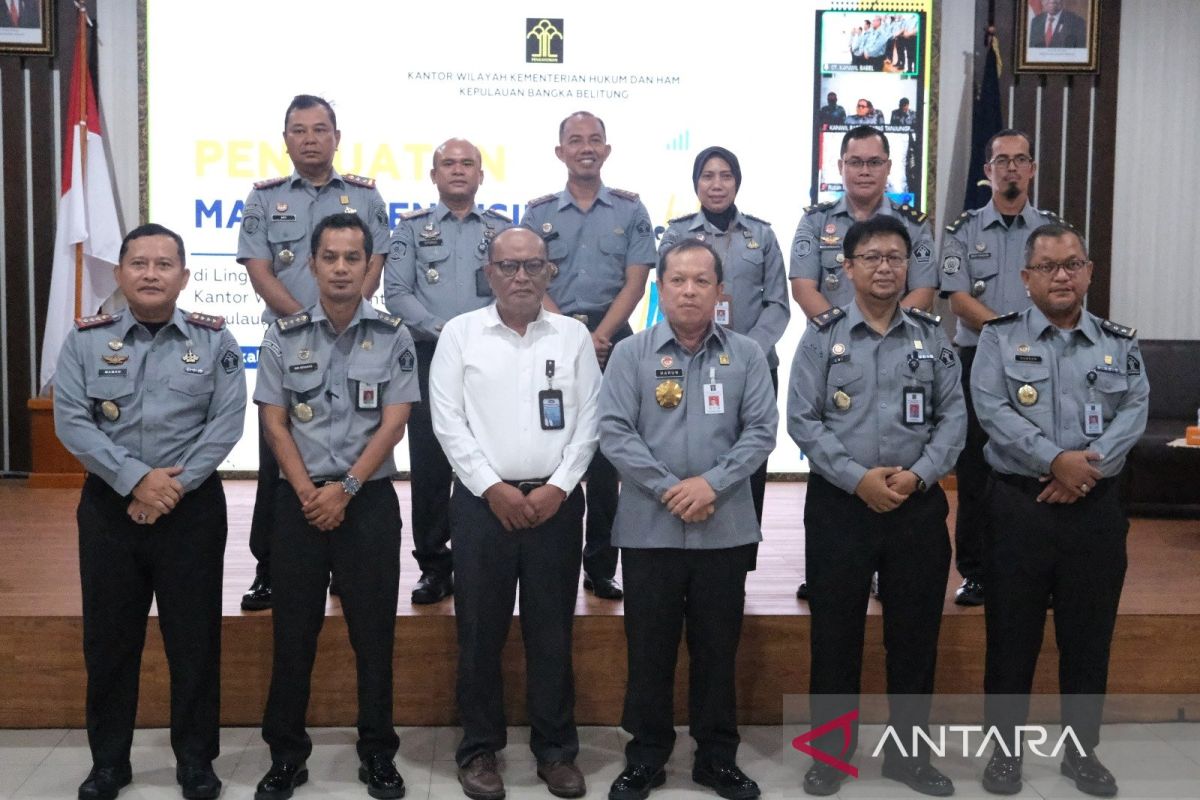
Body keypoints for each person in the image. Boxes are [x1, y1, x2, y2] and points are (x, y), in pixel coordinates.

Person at [53, 223, 247, 800]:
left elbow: (226, 424)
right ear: (120, 274)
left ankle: (195, 760)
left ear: (184, 277)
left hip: (190, 509)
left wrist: (170, 488)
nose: (151, 274)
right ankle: (109, 762)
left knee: (194, 641)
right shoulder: (87, 340)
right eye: (139, 263)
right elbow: (72, 421)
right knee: (110, 642)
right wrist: (136, 481)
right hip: (111, 509)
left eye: (165, 265)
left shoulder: (216, 340)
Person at [787, 216, 965, 797]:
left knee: (914, 637)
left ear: (908, 267)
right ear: (849, 268)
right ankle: (831, 757)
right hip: (840, 505)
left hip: (916, 506)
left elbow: (953, 419)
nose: (884, 267)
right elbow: (803, 421)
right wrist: (857, 478)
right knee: (834, 637)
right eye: (872, 258)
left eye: (895, 257)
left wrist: (917, 476)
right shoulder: (821, 335)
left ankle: (908, 758)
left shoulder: (931, 336)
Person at [971, 223, 1148, 798]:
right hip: (1019, 509)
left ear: (1090, 272)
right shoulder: (998, 340)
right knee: (1010, 636)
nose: (1063, 275)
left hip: (1094, 511)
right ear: (1026, 279)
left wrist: (1082, 472)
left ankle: (1081, 754)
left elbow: (1134, 413)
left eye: (1072, 264)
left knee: (1088, 637)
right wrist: (1055, 461)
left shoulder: (1118, 342)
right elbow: (993, 410)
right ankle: (1004, 754)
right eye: (1048, 267)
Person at [601, 238, 777, 800]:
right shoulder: (632, 355)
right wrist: (670, 487)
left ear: (720, 292)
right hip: (649, 527)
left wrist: (712, 484)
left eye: (702, 280)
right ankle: (647, 756)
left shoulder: (747, 354)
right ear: (659, 287)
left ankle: (716, 758)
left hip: (722, 526)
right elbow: (614, 432)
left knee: (717, 648)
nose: (689, 290)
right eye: (677, 279)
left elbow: (761, 432)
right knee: (648, 648)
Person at [430, 227, 602, 800]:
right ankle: (479, 750)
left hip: (556, 505)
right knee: (479, 632)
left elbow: (590, 422)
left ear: (551, 270)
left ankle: (556, 752)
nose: (521, 277)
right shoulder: (460, 334)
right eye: (508, 266)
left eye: (532, 266)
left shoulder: (574, 336)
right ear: (489, 272)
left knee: (551, 631)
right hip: (483, 507)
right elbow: (447, 422)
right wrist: (491, 488)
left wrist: (558, 487)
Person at [253, 213, 416, 800]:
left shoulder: (394, 334)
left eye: (354, 258)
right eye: (331, 257)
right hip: (298, 502)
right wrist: (307, 494)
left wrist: (344, 489)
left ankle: (377, 753)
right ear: (312, 263)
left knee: (374, 636)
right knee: (292, 634)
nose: (342, 268)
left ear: (370, 265)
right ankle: (286, 757)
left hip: (366, 500)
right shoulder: (282, 333)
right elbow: (273, 423)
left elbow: (395, 421)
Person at [236, 94, 390, 611]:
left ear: (336, 138)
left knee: (351, 443)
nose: (309, 139)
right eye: (299, 131)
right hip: (289, 340)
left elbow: (374, 264)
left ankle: (345, 567)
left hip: (356, 337)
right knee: (278, 459)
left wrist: (342, 316)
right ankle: (269, 569)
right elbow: (259, 270)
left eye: (320, 129)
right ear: (285, 141)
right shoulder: (263, 199)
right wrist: (304, 324)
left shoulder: (366, 197)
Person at [521, 110, 657, 600]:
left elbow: (636, 281)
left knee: (607, 456)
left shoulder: (630, 210)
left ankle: (600, 565)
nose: (585, 147)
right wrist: (574, 335)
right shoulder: (538, 214)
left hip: (615, 339)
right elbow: (531, 280)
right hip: (551, 336)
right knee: (554, 444)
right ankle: (550, 557)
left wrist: (601, 334)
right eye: (575, 140)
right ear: (560, 152)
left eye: (594, 140)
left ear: (607, 149)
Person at [941, 129, 1068, 607]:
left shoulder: (1054, 234)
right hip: (981, 361)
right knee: (976, 471)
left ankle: (1039, 570)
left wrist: (1027, 338)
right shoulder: (963, 232)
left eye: (1021, 160)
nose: (1011, 168)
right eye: (1002, 161)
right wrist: (1012, 335)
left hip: (1045, 359)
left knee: (1040, 463)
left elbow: (1067, 294)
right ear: (987, 172)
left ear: (1032, 169)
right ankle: (975, 573)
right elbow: (957, 299)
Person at [384, 137, 512, 605]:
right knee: (432, 463)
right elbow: (397, 293)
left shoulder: (501, 231)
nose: (458, 170)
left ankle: (485, 558)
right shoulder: (410, 230)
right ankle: (435, 566)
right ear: (433, 175)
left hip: (493, 356)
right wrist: (446, 331)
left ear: (481, 175)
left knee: (489, 454)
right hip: (429, 355)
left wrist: (475, 337)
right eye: (448, 164)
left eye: (468, 163)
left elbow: (517, 285)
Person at [659, 146, 789, 522]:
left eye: (726, 176)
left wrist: (747, 351)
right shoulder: (677, 233)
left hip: (755, 366)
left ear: (737, 182)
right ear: (696, 183)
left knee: (750, 462)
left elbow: (778, 304)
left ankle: (743, 554)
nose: (717, 185)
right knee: (694, 454)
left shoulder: (761, 235)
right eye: (708, 176)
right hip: (690, 362)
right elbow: (667, 298)